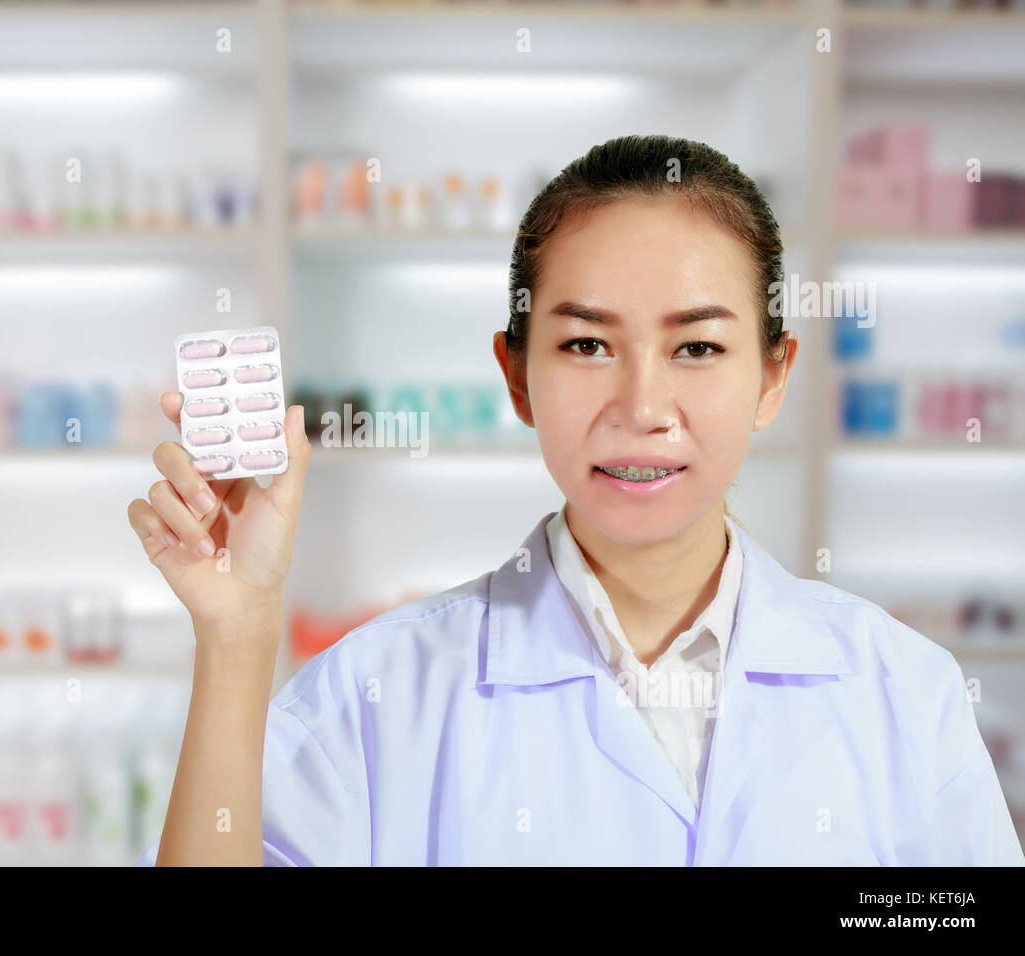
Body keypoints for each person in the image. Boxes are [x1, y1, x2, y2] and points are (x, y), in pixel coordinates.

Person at [127, 134, 1024, 866]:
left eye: (699, 349)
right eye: (587, 346)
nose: (641, 409)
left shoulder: (907, 693)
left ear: (773, 378)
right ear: (516, 377)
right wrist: (237, 630)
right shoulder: (380, 696)